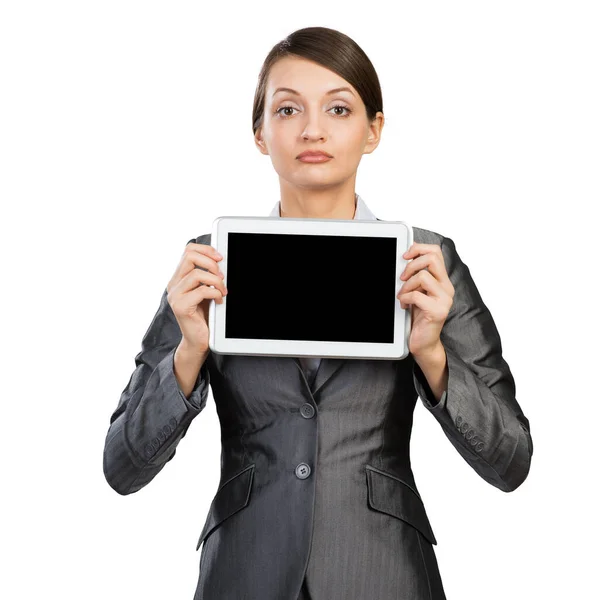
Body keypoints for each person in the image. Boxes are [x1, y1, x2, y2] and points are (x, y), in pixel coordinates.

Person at [103, 26, 533, 600]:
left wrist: (431, 354)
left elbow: (512, 461)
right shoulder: (211, 264)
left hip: (382, 571)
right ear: (259, 133)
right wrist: (188, 354)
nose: (312, 129)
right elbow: (122, 468)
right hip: (245, 572)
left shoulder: (425, 262)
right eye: (287, 109)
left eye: (338, 107)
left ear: (374, 130)